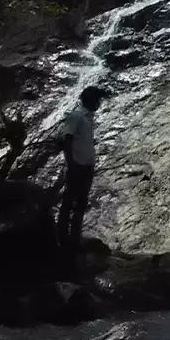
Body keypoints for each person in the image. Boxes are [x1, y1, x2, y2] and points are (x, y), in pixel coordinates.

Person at [54, 86, 106, 250]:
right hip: (78, 166)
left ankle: (74, 237)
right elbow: (67, 140)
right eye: (98, 100)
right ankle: (62, 238)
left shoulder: (88, 118)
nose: (99, 103)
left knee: (81, 203)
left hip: (86, 166)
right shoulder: (77, 116)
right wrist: (71, 164)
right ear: (91, 100)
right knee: (69, 202)